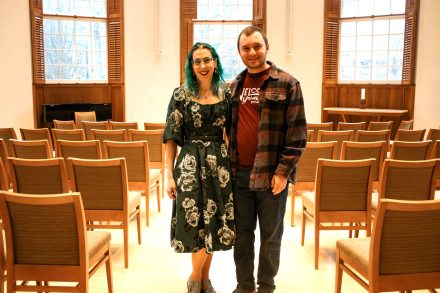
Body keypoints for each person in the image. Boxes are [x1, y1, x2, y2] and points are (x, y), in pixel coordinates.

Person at [229, 26, 307, 293]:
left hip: (271, 176)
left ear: (267, 47)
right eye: (246, 48)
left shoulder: (287, 83)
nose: (252, 52)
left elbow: (297, 135)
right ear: (239, 51)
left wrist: (283, 172)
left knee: (271, 237)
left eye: (257, 46)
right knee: (242, 237)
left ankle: (266, 286)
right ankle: (244, 285)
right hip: (238, 174)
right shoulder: (234, 86)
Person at [163, 42, 235, 293]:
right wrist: (169, 176)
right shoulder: (180, 95)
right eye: (197, 61)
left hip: (219, 166)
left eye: (207, 59)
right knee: (196, 226)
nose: (203, 65)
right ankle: (197, 279)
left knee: (213, 225)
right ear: (191, 66)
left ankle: (204, 280)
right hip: (189, 165)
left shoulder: (227, 94)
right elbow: (171, 138)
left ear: (215, 62)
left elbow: (231, 134)